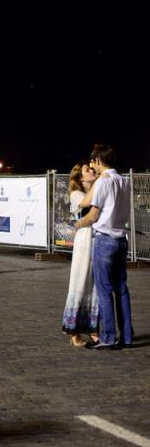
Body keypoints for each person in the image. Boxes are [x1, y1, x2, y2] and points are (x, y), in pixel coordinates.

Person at [75, 144, 133, 350]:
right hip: (121, 240)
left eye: (93, 163)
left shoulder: (103, 182)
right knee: (121, 290)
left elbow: (93, 214)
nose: (93, 166)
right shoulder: (124, 181)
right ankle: (126, 336)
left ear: (98, 160)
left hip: (104, 239)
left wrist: (78, 224)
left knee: (104, 291)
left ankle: (108, 337)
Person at [61, 162, 99, 347]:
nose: (92, 171)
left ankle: (93, 329)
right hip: (84, 241)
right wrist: (100, 182)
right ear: (80, 178)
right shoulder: (77, 194)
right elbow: (91, 205)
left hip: (96, 240)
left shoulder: (93, 190)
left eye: (92, 168)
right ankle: (73, 331)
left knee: (94, 286)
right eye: (87, 170)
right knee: (80, 282)